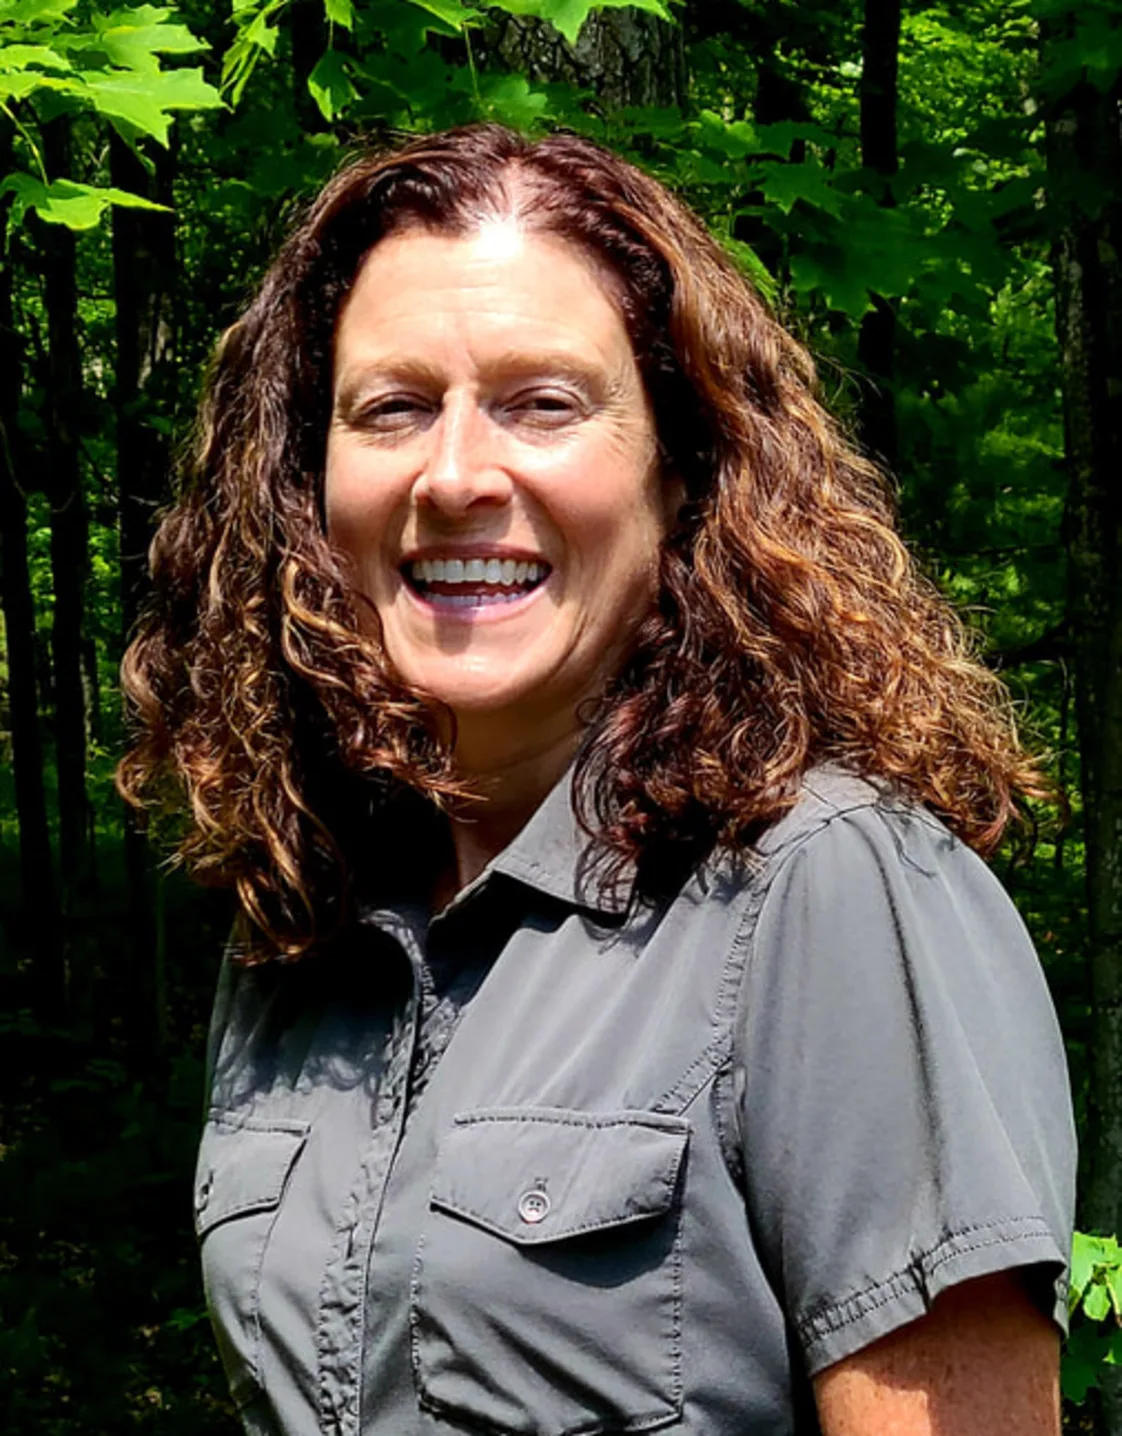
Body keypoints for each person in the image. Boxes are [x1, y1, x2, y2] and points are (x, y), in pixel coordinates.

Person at [119, 124, 1075, 1436]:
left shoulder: (829, 891)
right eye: (391, 407)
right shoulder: (300, 924)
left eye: (542, 403)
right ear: (309, 484)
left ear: (679, 472)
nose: (455, 473)